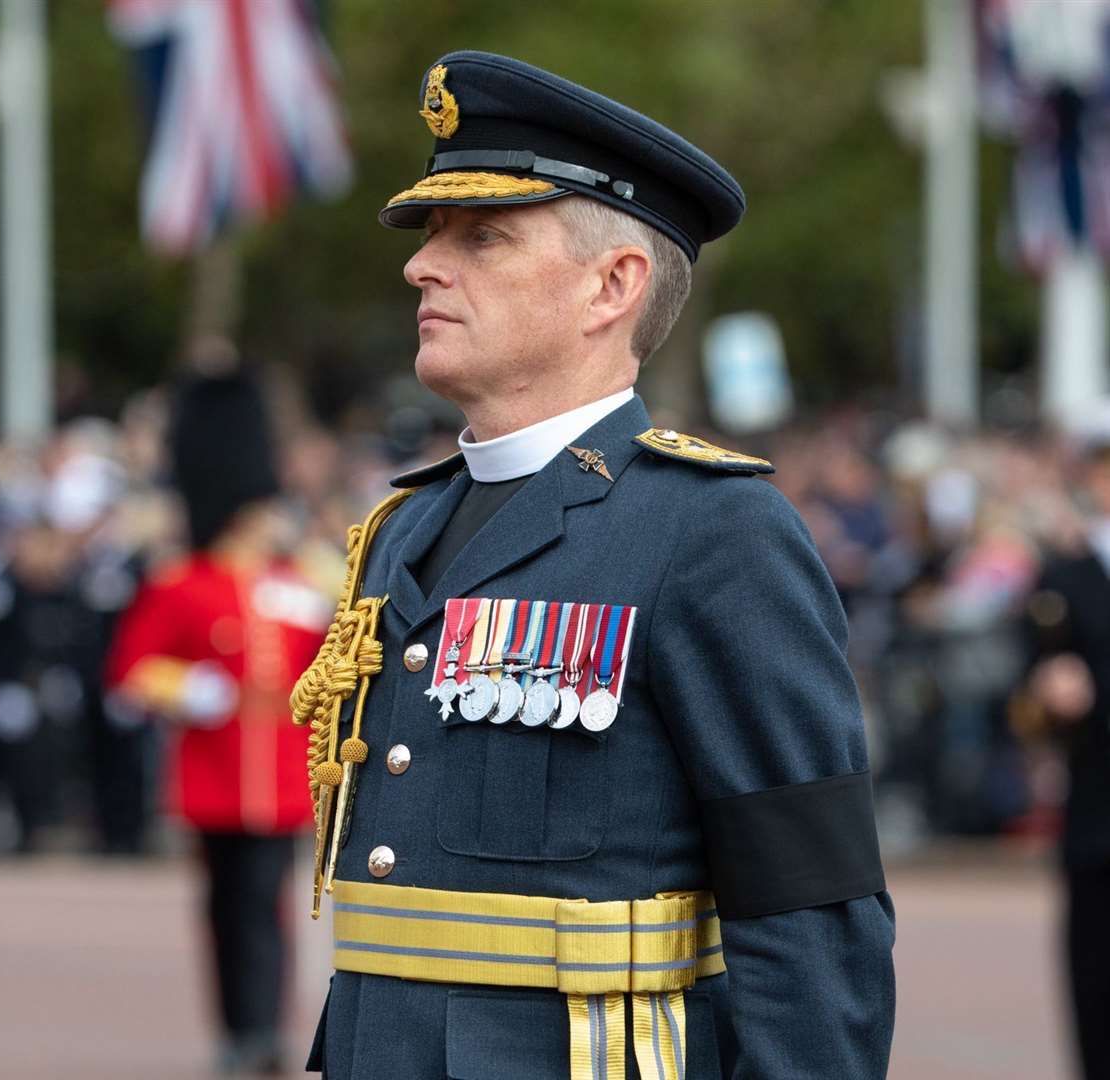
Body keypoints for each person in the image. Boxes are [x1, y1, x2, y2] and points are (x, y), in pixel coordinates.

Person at [294, 52, 895, 1079]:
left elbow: (807, 904)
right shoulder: (403, 526)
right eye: (433, 237)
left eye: (481, 236)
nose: (421, 268)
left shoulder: (712, 531)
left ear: (610, 286)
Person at [107, 372, 328, 1076]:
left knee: (269, 908)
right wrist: (187, 689)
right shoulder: (181, 585)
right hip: (213, 769)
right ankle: (235, 1028)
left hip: (283, 771)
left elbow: (328, 668)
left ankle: (263, 1030)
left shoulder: (301, 582)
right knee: (224, 910)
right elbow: (131, 671)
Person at [1024, 422, 1110, 1079]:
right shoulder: (1064, 576)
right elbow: (1021, 701)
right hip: (1097, 810)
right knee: (1095, 971)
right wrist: (1045, 693)